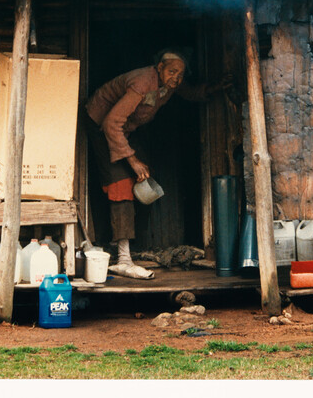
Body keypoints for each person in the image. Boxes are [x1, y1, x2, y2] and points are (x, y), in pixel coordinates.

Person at [84, 48, 230, 279]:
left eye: (180, 74)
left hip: (126, 128)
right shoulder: (142, 82)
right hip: (102, 125)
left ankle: (131, 246)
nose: (177, 78)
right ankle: (123, 258)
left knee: (144, 179)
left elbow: (188, 91)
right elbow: (112, 122)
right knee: (120, 184)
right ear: (159, 68)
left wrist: (213, 88)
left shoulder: (170, 83)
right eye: (172, 72)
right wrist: (132, 160)